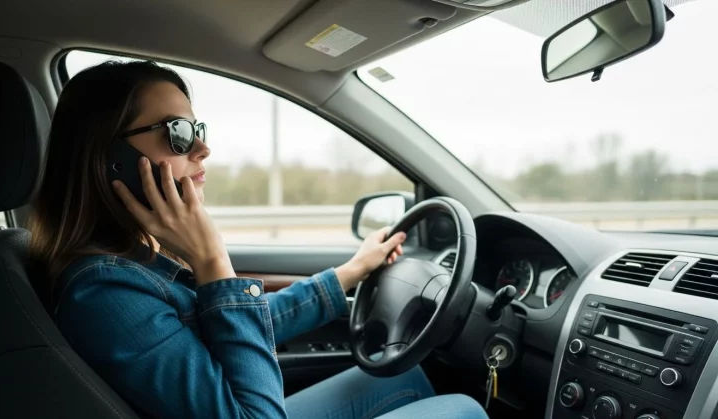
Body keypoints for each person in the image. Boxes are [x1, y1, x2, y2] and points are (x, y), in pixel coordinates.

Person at [28, 60, 488, 419]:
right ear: (110, 159)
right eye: (178, 133)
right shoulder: (104, 291)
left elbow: (237, 326)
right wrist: (212, 260)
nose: (203, 149)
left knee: (399, 377)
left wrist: (350, 272)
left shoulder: (133, 260)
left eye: (197, 130)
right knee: (462, 410)